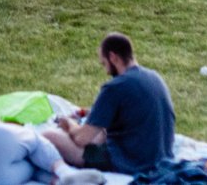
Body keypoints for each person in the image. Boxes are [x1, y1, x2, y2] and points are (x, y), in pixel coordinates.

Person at [48, 34, 174, 175]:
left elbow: (81, 139)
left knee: (49, 136)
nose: (106, 71)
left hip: (129, 162)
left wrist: (69, 123)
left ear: (113, 57)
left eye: (104, 64)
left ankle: (62, 174)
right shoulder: (154, 77)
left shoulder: (115, 86)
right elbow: (132, 110)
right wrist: (93, 113)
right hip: (160, 156)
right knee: (100, 132)